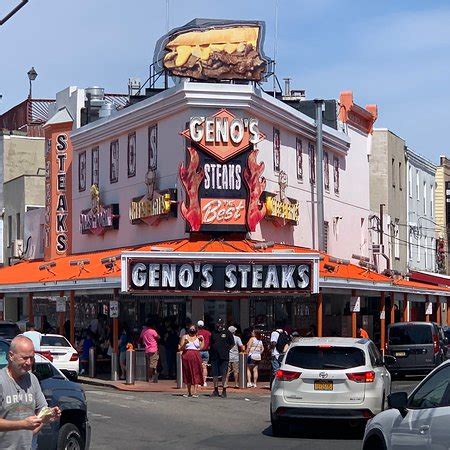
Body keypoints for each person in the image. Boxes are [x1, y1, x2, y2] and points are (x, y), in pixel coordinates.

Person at [0, 335, 61, 449]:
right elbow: (25, 424)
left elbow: (42, 409)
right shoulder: (1, 381)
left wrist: (48, 416)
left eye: (32, 358)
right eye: (24, 358)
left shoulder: (32, 379)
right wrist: (22, 425)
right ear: (11, 356)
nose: (29, 362)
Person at [209, 318, 234, 398]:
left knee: (224, 373)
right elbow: (211, 343)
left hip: (224, 357)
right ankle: (215, 390)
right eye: (218, 324)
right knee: (215, 374)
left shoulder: (228, 333)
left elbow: (232, 344)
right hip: (214, 357)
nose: (219, 325)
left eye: (221, 324)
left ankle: (224, 390)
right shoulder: (213, 333)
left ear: (223, 324)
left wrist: (226, 349)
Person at [178, 325, 204, 398]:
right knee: (188, 373)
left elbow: (201, 348)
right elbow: (181, 348)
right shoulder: (185, 337)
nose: (192, 330)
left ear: (196, 330)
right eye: (190, 329)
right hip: (186, 356)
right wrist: (185, 343)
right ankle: (188, 391)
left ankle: (195, 391)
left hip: (196, 356)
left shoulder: (198, 337)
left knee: (196, 372)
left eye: (193, 329)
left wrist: (202, 341)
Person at [197, 320, 211, 387]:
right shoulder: (208, 333)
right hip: (206, 351)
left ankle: (200, 382)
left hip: (198, 351)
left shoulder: (196, 333)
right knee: (205, 367)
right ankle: (204, 382)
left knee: (199, 367)